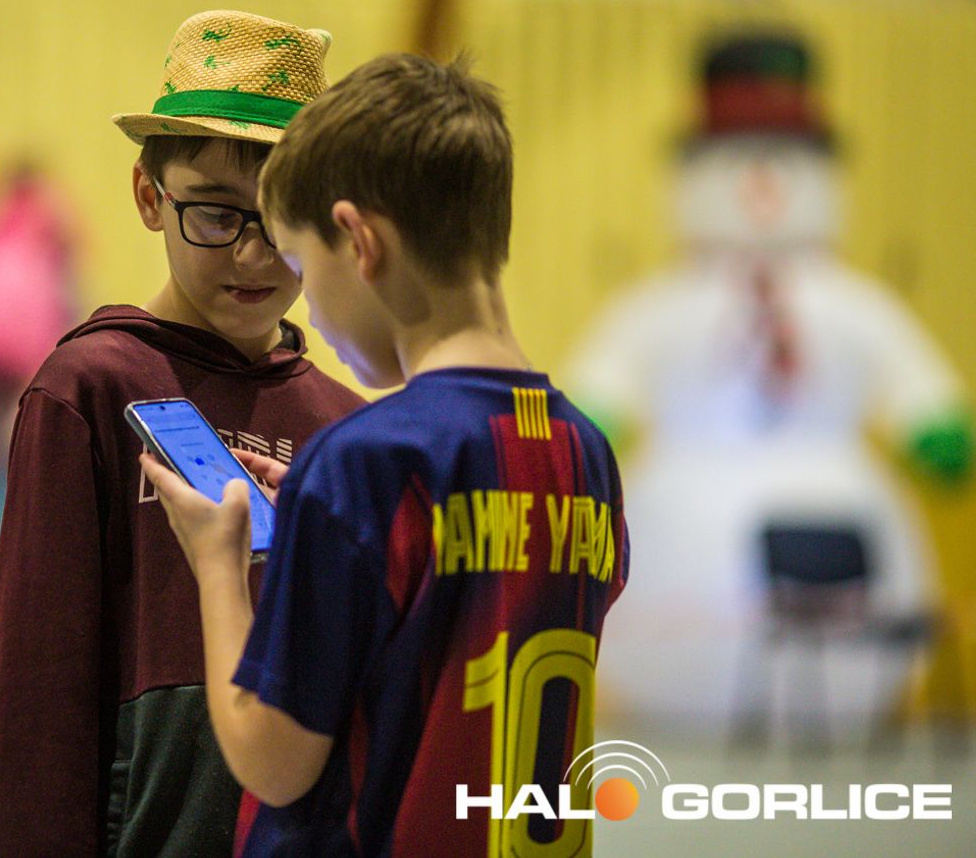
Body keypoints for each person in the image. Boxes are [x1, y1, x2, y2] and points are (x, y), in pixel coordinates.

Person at [143, 53, 630, 854]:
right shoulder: (583, 448)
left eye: (302, 263)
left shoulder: (364, 461)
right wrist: (332, 526)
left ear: (360, 242)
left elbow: (273, 762)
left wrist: (218, 565)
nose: (310, 305)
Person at [0, 10, 365, 857]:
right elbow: (36, 694)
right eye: (217, 216)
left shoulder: (348, 428)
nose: (254, 257)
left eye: (285, 222)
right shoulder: (89, 388)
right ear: (150, 198)